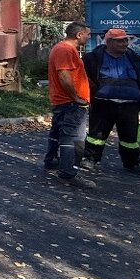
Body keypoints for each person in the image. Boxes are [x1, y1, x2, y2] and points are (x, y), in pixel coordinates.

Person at [80, 28, 140, 176]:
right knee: (97, 135)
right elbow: (82, 77)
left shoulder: (135, 59)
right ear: (109, 42)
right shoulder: (92, 58)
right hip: (103, 104)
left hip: (129, 105)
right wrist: (91, 94)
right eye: (120, 41)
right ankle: (90, 159)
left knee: (130, 137)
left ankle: (132, 163)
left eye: (125, 40)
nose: (124, 43)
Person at [43, 21, 95, 188]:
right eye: (87, 34)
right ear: (79, 35)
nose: (89, 37)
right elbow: (64, 76)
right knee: (73, 138)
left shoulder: (63, 48)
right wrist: (76, 97)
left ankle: (52, 161)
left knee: (58, 132)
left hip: (64, 101)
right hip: (70, 102)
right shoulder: (65, 50)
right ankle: (67, 173)